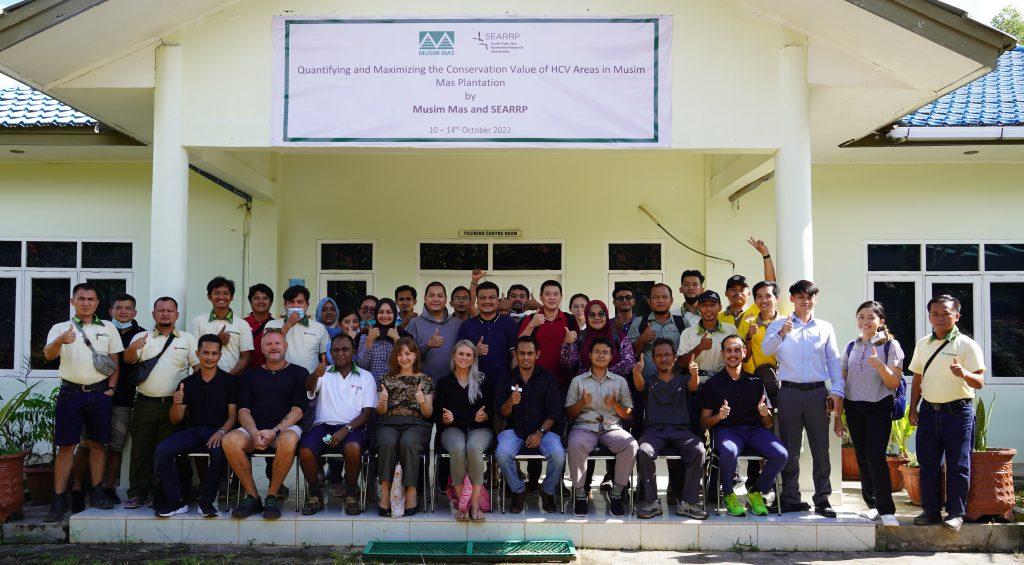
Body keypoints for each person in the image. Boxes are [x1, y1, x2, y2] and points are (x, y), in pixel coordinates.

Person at [761, 280, 844, 517]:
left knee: (821, 448)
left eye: (810, 297)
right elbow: (767, 350)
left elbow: (833, 361)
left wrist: (837, 391)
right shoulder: (778, 325)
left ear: (815, 300)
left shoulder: (825, 327)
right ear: (792, 300)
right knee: (789, 448)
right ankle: (790, 496)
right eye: (800, 297)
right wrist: (782, 333)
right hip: (788, 393)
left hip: (818, 393)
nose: (805, 302)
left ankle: (822, 499)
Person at [43, 283, 124, 522]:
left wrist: (111, 389)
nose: (86, 303)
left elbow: (114, 361)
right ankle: (59, 499)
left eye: (91, 299)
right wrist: (60, 340)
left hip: (100, 394)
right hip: (70, 394)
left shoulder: (108, 327)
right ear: (72, 301)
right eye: (81, 298)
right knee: (66, 447)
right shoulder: (61, 327)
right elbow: (48, 355)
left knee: (99, 444)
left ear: (98, 303)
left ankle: (97, 492)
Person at [908, 295, 985, 533]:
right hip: (930, 411)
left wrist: (964, 374)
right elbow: (918, 378)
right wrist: (913, 407)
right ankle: (930, 512)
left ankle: (955, 514)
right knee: (928, 464)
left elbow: (980, 381)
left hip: (958, 412)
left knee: (958, 465)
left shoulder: (966, 345)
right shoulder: (923, 343)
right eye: (935, 314)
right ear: (930, 317)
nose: (940, 318)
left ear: (957, 316)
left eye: (945, 314)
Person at [222, 329, 308, 520]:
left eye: (278, 343)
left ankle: (272, 495)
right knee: (229, 441)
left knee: (289, 439)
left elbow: (298, 410)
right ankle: (252, 496)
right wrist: (253, 432)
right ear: (261, 348)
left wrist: (275, 430)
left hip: (283, 428)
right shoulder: (250, 375)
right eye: (268, 344)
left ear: (285, 346)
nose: (273, 347)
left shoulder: (299, 373)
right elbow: (243, 410)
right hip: (254, 427)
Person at [122, 297, 199, 510]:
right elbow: (128, 360)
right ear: (153, 314)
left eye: (170, 310)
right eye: (161, 310)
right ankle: (137, 493)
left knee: (171, 452)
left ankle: (166, 492)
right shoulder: (141, 336)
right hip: (145, 403)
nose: (165, 314)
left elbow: (197, 369)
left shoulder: (188, 339)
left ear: (177, 314)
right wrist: (133, 347)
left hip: (174, 406)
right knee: (141, 451)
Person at [700, 335, 788, 517]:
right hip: (727, 431)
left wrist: (765, 413)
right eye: (729, 350)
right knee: (729, 451)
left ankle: (756, 491)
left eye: (737, 350)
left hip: (754, 431)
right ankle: (729, 494)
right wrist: (719, 416)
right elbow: (703, 422)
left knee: (781, 454)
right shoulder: (712, 384)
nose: (733, 355)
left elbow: (768, 423)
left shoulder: (756, 382)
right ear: (723, 354)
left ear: (744, 352)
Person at [153, 334, 237, 518]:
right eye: (205, 352)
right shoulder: (187, 383)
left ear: (220, 356)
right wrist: (176, 403)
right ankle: (176, 502)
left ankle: (205, 503)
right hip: (193, 431)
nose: (209, 357)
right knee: (162, 450)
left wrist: (222, 432)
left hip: (217, 432)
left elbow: (233, 416)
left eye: (214, 353)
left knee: (219, 453)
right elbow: (176, 419)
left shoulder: (229, 381)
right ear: (198, 354)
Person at [561, 299, 635, 496]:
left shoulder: (618, 336)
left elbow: (628, 363)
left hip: (614, 397)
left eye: (601, 313)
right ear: (586, 316)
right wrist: (568, 345)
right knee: (581, 442)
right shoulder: (580, 337)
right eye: (591, 314)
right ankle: (582, 490)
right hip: (585, 398)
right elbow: (568, 364)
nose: (596, 317)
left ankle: (618, 490)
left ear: (606, 314)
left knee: (622, 443)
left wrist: (604, 373)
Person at [842, 301, 905, 528]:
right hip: (853, 407)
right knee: (861, 457)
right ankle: (872, 506)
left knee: (875, 457)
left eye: (870, 317)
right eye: (861, 317)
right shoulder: (851, 345)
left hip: (878, 406)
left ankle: (887, 510)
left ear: (881, 321)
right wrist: (838, 413)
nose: (865, 322)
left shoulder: (891, 345)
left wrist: (880, 365)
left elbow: (893, 382)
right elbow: (843, 380)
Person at [298, 333, 376, 516]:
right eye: (336, 350)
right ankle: (315, 494)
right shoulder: (324, 374)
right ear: (331, 353)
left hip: (352, 428)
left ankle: (351, 493)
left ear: (354, 352)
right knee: (305, 450)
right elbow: (309, 389)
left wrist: (345, 429)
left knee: (352, 448)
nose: (340, 353)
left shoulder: (365, 376)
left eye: (345, 349)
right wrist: (315, 375)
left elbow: (367, 413)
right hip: (324, 428)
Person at [626, 283, 689, 505]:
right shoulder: (639, 322)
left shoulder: (682, 322)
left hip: (675, 389)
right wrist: (642, 339)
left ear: (671, 301)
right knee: (646, 437)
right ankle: (644, 487)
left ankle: (675, 488)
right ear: (649, 301)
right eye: (656, 297)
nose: (660, 300)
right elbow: (629, 353)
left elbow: (686, 353)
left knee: (676, 438)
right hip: (646, 389)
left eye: (664, 297)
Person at [632, 339, 706, 520]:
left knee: (698, 450)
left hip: (680, 431)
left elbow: (693, 386)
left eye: (667, 355)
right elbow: (639, 386)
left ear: (674, 357)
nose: (663, 359)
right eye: (659, 355)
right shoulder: (649, 381)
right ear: (653, 359)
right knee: (644, 451)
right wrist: (636, 372)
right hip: (654, 432)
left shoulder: (683, 379)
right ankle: (652, 502)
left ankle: (688, 503)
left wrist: (694, 373)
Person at [565, 337, 637, 517]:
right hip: (584, 427)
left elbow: (629, 414)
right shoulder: (578, 381)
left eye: (605, 352)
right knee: (574, 444)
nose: (601, 355)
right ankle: (580, 494)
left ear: (611, 357)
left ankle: (617, 494)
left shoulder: (619, 381)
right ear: (589, 355)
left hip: (611, 427)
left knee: (631, 445)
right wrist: (581, 403)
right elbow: (569, 414)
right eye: (597, 352)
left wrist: (615, 405)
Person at [494, 336, 565, 514]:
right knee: (502, 454)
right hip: (514, 430)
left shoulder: (547, 378)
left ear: (537, 354)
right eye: (522, 353)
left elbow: (555, 411)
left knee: (558, 455)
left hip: (543, 431)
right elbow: (501, 412)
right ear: (516, 355)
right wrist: (511, 401)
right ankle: (518, 490)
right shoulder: (507, 378)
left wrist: (540, 432)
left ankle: (547, 491)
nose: (526, 357)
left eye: (530, 353)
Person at [434, 340, 495, 521]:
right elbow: (437, 414)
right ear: (454, 356)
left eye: (468, 355)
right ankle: (463, 503)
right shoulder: (444, 382)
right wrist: (445, 419)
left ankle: (475, 505)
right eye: (461, 354)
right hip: (452, 429)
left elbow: (492, 410)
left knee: (474, 447)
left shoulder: (483, 380)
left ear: (474, 358)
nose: (464, 358)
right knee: (459, 447)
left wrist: (484, 416)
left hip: (480, 429)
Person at [735, 280, 785, 500]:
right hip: (754, 384)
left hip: (779, 385)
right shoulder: (748, 321)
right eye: (759, 296)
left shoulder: (786, 322)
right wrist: (748, 336)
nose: (764, 300)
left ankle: (772, 486)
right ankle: (753, 483)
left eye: (768, 295)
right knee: (757, 428)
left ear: (776, 298)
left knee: (776, 433)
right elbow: (741, 355)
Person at [375, 337, 435, 517]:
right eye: (400, 354)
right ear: (395, 357)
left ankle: (411, 493)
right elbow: (380, 411)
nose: (404, 358)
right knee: (387, 443)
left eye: (408, 353)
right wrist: (384, 399)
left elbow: (428, 413)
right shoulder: (386, 379)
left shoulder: (425, 380)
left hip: (417, 424)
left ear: (415, 355)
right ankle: (385, 494)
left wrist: (422, 400)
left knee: (408, 442)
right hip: (389, 423)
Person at [101, 293, 146, 503]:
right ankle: (79, 488)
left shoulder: (143, 335)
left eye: (128, 308)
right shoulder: (101, 330)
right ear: (111, 311)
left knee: (116, 446)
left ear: (134, 312)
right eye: (119, 308)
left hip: (125, 398)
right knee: (87, 444)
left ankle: (109, 487)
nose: (123, 312)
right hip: (96, 393)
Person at [518, 280, 577, 395]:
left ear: (561, 297)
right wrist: (531, 325)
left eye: (556, 294)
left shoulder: (570, 320)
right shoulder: (531, 319)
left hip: (563, 383)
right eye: (547, 294)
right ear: (541, 297)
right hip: (534, 381)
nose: (552, 298)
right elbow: (519, 345)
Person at [457, 281, 518, 383]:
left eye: (492, 297)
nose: (487, 301)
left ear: (497, 301)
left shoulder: (509, 324)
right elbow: (458, 357)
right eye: (482, 298)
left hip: (502, 384)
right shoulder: (466, 326)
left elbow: (515, 356)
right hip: (473, 384)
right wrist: (474, 351)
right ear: (477, 301)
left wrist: (512, 381)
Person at [191, 276, 254, 375]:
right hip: (203, 381)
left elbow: (246, 357)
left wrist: (228, 379)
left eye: (226, 293)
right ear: (209, 296)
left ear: (232, 297)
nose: (221, 297)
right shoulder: (198, 321)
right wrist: (217, 340)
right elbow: (193, 354)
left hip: (233, 381)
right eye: (216, 293)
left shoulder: (242, 324)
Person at [265, 285, 329, 378]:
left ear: (307, 305)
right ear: (285, 305)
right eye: (291, 302)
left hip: (309, 382)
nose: (295, 305)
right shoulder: (272, 325)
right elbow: (269, 346)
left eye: (300, 302)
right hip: (279, 379)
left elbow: (324, 356)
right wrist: (289, 324)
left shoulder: (319, 328)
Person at [406, 281, 462, 383]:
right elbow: (407, 358)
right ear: (425, 298)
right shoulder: (414, 324)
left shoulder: (457, 324)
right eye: (431, 296)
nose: (436, 299)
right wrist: (428, 345)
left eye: (440, 296)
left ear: (445, 299)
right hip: (422, 386)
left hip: (452, 385)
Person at [676, 290, 737, 378]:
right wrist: (700, 347)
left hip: (723, 381)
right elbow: (681, 363)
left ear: (720, 307)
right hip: (696, 383)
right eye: (704, 305)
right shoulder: (688, 333)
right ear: (699, 308)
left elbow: (738, 357)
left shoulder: (731, 330)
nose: (708, 309)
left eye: (712, 305)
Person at [720, 238, 777, 329]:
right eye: (733, 289)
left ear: (749, 294)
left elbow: (771, 285)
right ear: (726, 293)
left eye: (742, 289)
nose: (738, 292)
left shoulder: (757, 309)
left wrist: (765, 254)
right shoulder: (718, 318)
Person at [356, 298, 408, 380]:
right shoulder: (366, 335)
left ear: (394, 314)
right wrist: (370, 340)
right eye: (381, 312)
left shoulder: (402, 335)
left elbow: (407, 365)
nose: (384, 315)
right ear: (376, 314)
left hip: (396, 387)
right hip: (371, 388)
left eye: (389, 312)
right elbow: (361, 366)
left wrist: (397, 340)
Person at [244, 283, 274, 369]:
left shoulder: (276, 325)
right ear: (250, 301)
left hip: (269, 373)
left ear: (271, 302)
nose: (261, 301)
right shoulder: (241, 323)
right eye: (256, 298)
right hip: (244, 374)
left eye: (265, 298)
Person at [314, 296, 342, 363]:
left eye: (332, 309)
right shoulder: (314, 333)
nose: (329, 312)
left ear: (337, 312)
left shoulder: (343, 333)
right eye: (324, 309)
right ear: (319, 313)